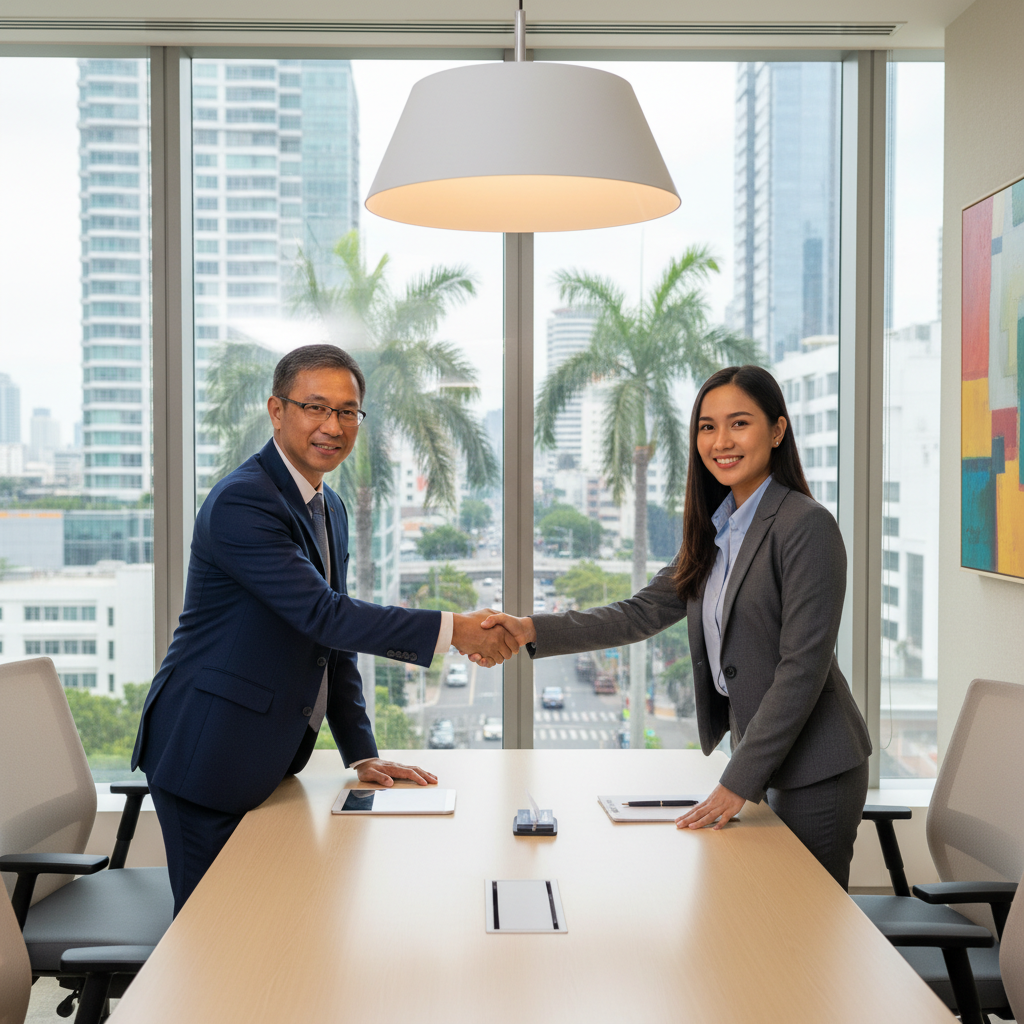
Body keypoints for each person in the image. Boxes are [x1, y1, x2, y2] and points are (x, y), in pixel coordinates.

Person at [132, 344, 517, 914]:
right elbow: (325, 615)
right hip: (206, 753)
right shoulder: (243, 502)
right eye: (315, 407)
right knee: (211, 935)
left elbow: (327, 642)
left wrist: (361, 753)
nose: (332, 426)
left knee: (271, 925)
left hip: (260, 756)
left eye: (347, 412)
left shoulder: (326, 505)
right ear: (276, 410)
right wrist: (453, 629)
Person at [477, 365, 871, 889]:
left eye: (739, 423)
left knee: (806, 925)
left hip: (819, 769)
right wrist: (530, 628)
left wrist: (736, 782)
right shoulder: (717, 531)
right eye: (707, 427)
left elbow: (802, 669)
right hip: (764, 759)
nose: (721, 441)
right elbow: (638, 613)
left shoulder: (805, 526)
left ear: (777, 431)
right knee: (754, 913)